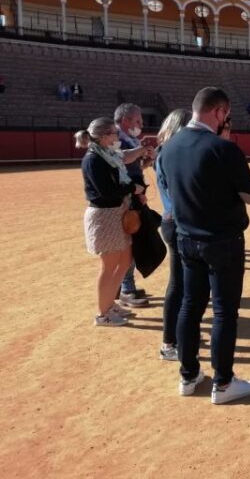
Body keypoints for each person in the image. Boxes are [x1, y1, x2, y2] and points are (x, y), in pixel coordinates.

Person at [159, 87, 250, 404]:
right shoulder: (223, 149)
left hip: (185, 238)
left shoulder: (169, 147)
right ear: (219, 112)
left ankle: (188, 376)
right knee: (223, 312)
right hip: (222, 241)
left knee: (190, 306)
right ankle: (223, 382)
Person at [75, 118, 145, 326]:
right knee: (109, 266)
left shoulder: (107, 155)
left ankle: (110, 305)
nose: (117, 136)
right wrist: (133, 189)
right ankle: (103, 314)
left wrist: (142, 152)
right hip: (104, 216)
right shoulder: (94, 159)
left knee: (124, 260)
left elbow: (126, 159)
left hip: (116, 213)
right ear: (105, 137)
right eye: (114, 133)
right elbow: (106, 191)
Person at [154, 109, 192, 361]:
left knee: (183, 283)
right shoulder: (174, 155)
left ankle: (177, 334)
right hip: (178, 222)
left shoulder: (164, 154)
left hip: (172, 220)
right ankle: (169, 342)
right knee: (178, 284)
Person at [115, 103, 154, 307]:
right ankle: (126, 288)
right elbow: (122, 159)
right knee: (128, 242)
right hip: (126, 199)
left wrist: (145, 162)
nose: (140, 124)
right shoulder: (117, 139)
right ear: (125, 120)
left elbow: (134, 167)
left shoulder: (128, 139)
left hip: (132, 195)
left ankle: (124, 285)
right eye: (137, 120)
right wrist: (141, 150)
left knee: (131, 241)